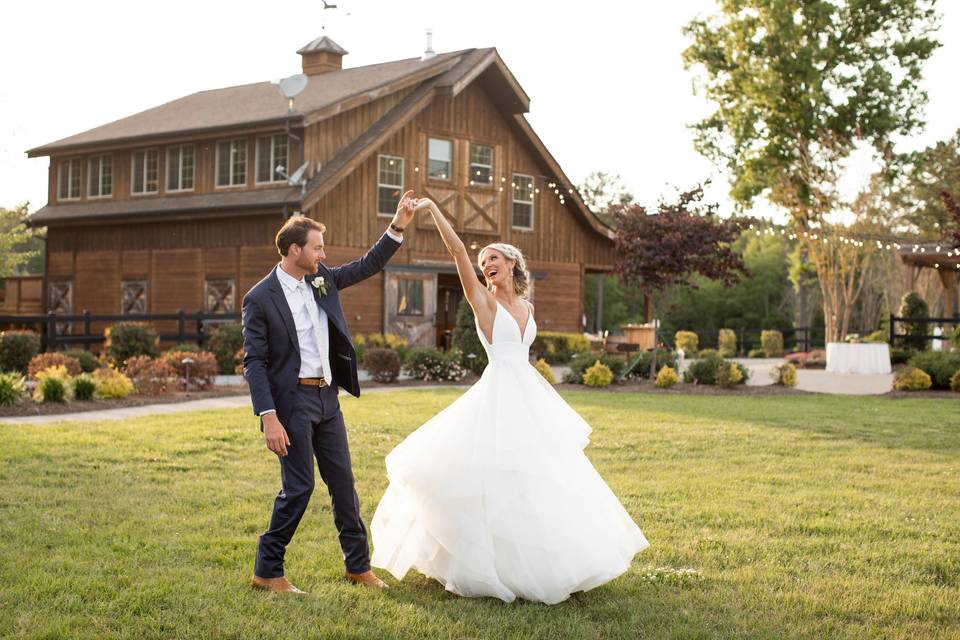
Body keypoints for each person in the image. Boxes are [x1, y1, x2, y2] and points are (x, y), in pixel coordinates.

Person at [370, 197, 649, 604]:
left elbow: (524, 352)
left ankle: (545, 559)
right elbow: (457, 251)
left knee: (541, 475)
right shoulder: (482, 301)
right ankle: (489, 565)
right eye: (484, 261)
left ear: (512, 264)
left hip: (528, 394)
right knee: (490, 474)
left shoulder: (528, 306)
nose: (486, 264)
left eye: (494, 257)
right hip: (496, 391)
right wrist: (431, 209)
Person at [243, 191, 416, 594]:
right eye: (317, 247)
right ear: (293, 249)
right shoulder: (260, 298)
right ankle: (267, 570)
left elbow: (368, 264)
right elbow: (254, 362)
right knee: (299, 488)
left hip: (328, 399)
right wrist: (269, 417)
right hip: (292, 404)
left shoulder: (322, 279)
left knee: (343, 485)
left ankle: (358, 566)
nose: (324, 254)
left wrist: (397, 226)